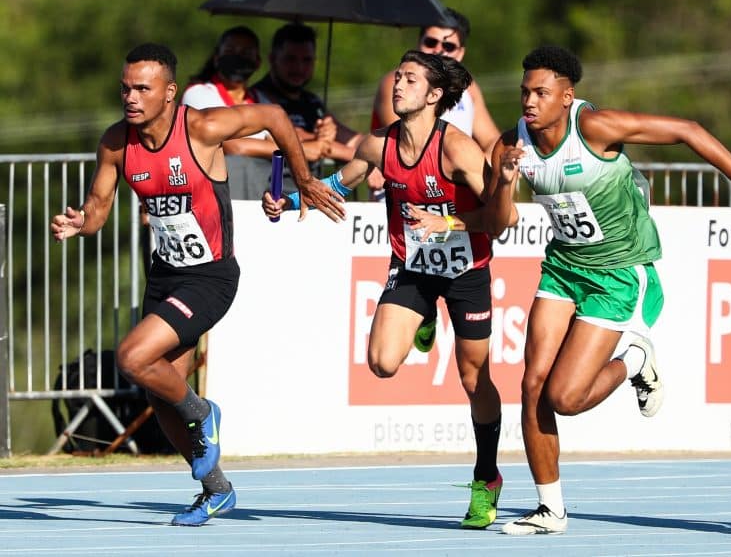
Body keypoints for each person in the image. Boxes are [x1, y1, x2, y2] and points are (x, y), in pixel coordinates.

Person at [426, 45, 731, 535]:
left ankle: (634, 360)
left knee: (565, 396)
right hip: (563, 267)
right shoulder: (507, 147)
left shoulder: (596, 128)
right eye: (524, 92)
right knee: (532, 383)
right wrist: (503, 184)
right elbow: (497, 225)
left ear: (567, 96)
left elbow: (689, 131)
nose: (529, 102)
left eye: (541, 92)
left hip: (620, 272)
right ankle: (551, 508)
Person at [50, 43, 344, 526]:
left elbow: (272, 114)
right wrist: (79, 222)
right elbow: (98, 207)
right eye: (125, 87)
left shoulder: (203, 128)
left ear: (169, 93)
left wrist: (304, 177)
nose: (131, 97)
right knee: (161, 396)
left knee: (132, 357)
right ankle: (216, 489)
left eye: (142, 88)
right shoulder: (115, 143)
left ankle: (205, 413)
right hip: (165, 274)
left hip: (210, 275)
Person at [263, 51, 505, 530]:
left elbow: (503, 219)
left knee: (474, 379)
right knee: (382, 363)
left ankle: (486, 476)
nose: (397, 86)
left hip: (465, 269)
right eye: (397, 77)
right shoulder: (380, 144)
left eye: (410, 80)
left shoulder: (458, 149)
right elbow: (338, 181)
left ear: (434, 96)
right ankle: (425, 316)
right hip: (413, 265)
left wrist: (449, 220)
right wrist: (290, 200)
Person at [368, 8, 500, 201]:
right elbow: (400, 142)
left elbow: (492, 140)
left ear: (461, 53)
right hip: (400, 198)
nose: (439, 50)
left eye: (448, 46)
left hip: (452, 198)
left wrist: (481, 165)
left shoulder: (469, 89)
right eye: (431, 42)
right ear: (419, 43)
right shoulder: (396, 83)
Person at [251, 23, 362, 193]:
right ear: (272, 59)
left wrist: (385, 149)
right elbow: (289, 136)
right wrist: (365, 161)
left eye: (307, 60)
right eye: (291, 59)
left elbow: (351, 139)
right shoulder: (255, 98)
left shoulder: (312, 102)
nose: (299, 68)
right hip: (271, 196)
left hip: (310, 194)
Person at [181, 26, 276, 200]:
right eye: (231, 51)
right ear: (217, 58)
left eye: (246, 53)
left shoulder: (263, 101)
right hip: (211, 190)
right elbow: (230, 145)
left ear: (258, 62)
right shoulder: (198, 93)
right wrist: (277, 149)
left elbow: (277, 140)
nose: (238, 57)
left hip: (260, 190)